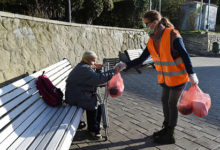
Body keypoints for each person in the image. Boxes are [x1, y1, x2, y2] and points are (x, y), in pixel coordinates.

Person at [115, 10, 199, 144]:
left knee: (172, 103)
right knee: (164, 100)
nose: (145, 27)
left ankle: (170, 134)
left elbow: (185, 54)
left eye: (146, 24)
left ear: (154, 23)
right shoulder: (152, 40)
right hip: (166, 78)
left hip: (178, 77)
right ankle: (166, 128)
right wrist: (125, 64)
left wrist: (192, 74)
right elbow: (141, 59)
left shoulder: (172, 35)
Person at [65, 51, 117, 139]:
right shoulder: (85, 69)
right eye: (93, 61)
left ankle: (94, 125)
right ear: (87, 60)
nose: (95, 63)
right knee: (94, 104)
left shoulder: (82, 66)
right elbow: (97, 79)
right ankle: (93, 129)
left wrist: (97, 68)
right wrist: (112, 71)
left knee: (96, 102)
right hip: (75, 96)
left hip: (75, 93)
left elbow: (93, 77)